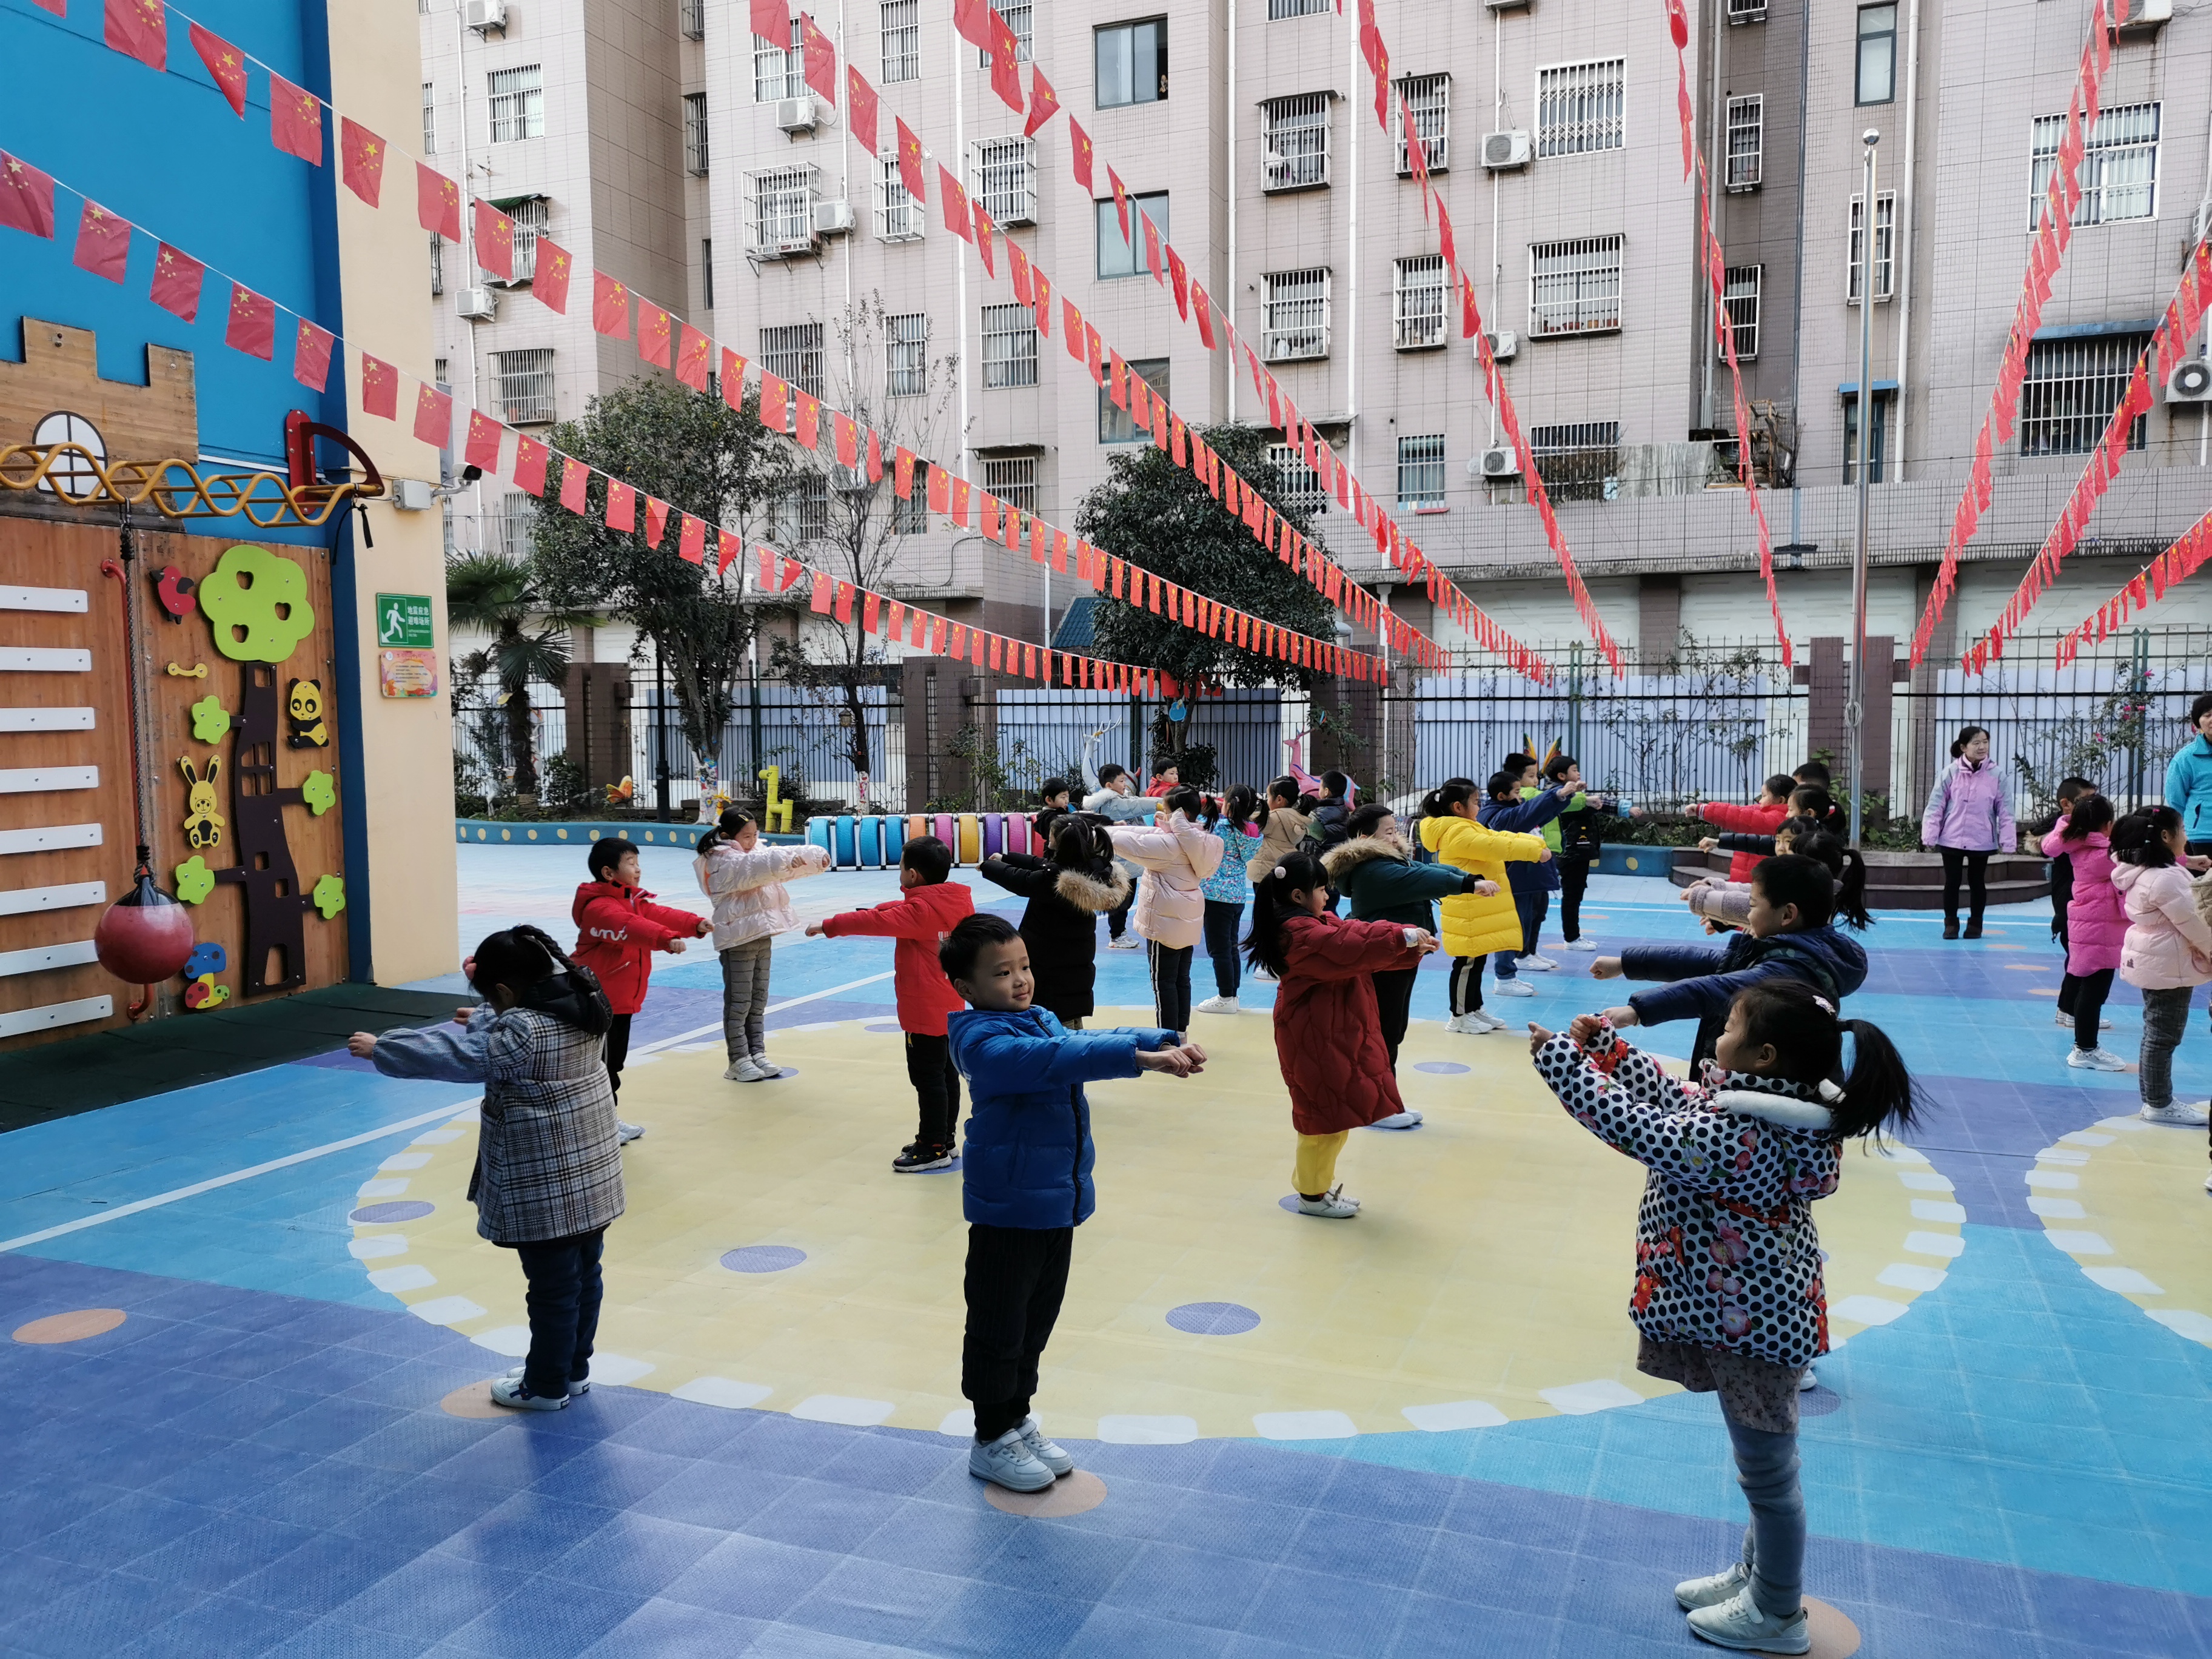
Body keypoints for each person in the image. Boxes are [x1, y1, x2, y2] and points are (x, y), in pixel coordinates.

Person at [1527, 981, 1920, 1655]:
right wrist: (1611, 1052)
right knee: (1766, 1468)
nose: (1718, 1036)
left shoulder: (1741, 1133)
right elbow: (1676, 1099)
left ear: (1765, 1056)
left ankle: (1777, 1612)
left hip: (1752, 1328)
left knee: (1769, 1476)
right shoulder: (1774, 1110)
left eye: (1731, 1027)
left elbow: (1644, 1130)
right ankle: (1757, 1578)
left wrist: (1563, 1063)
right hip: (1756, 1317)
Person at [942, 913, 1204, 1490]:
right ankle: (990, 1436)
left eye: (1024, 966)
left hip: (1054, 1202)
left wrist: (1155, 1039)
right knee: (998, 1325)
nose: (1020, 979)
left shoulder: (1036, 1017)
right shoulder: (980, 1041)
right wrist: (1137, 1060)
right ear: (965, 987)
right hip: (1009, 1209)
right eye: (1002, 973)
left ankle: (1016, 1419)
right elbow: (1055, 1060)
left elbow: (1076, 1042)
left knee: (1035, 1321)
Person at [349, 927, 623, 1412]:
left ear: (505, 992)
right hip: (593, 1176)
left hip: (547, 1185)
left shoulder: (522, 1032)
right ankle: (572, 1371)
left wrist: (384, 1047)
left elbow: (465, 1056)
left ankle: (545, 1386)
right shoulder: (584, 1001)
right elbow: (504, 1035)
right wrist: (483, 1017)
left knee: (553, 1289)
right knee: (584, 1275)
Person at [1247, 851, 1439, 1212]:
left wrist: (1407, 942)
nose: (1328, 896)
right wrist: (1403, 937)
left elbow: (1356, 935)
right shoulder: (1300, 936)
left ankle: (1317, 1189)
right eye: (1321, 889)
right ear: (1298, 896)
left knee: (1332, 1116)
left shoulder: (1318, 923)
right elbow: (1347, 948)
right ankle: (1312, 1195)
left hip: (1329, 1034)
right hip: (1315, 1039)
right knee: (1322, 1122)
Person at [1590, 853, 1870, 1070]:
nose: (1748, 916)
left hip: (1767, 1101)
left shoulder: (1790, 970)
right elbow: (1704, 962)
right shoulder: (1799, 952)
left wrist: (1637, 1011)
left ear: (1787, 915)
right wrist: (1624, 963)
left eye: (1753, 906)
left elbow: (1717, 989)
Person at [808, 836, 974, 1172]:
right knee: (945, 1075)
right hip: (951, 1005)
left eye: (900, 867)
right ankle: (945, 1138)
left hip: (923, 1010)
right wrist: (876, 909)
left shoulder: (919, 912)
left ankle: (932, 1147)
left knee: (927, 1079)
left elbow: (874, 922)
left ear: (912, 875)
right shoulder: (955, 902)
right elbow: (893, 912)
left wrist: (829, 926)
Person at [1326, 802, 1489, 1067]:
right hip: (1383, 959)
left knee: (1393, 1028)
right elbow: (1422, 880)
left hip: (1399, 954)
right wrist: (1468, 884)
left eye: (1396, 831)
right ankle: (1379, 1087)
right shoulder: (1373, 870)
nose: (1395, 838)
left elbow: (1426, 870)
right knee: (1385, 1030)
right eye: (1389, 832)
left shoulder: (1389, 861)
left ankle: (1384, 1086)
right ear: (1365, 838)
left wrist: (1469, 877)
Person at [570, 838, 709, 1143]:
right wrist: (666, 939)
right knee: (601, 1066)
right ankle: (600, 1126)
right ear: (609, 873)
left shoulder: (632, 900)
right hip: (598, 999)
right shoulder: (599, 908)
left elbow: (657, 914)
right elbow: (631, 926)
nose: (638, 869)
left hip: (619, 1001)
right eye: (630, 863)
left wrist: (694, 924)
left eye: (637, 862)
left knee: (612, 1064)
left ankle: (605, 1121)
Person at [692, 808, 833, 1082]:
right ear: (727, 836)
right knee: (739, 1002)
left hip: (760, 933)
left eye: (755, 835)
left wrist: (810, 862)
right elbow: (755, 867)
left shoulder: (755, 854)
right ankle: (738, 1060)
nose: (752, 840)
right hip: (737, 939)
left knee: (758, 999)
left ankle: (757, 1053)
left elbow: (770, 868)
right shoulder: (721, 860)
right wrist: (788, 859)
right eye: (746, 836)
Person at [2111, 806, 2212, 1133]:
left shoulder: (2142, 868)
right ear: (2166, 836)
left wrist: (2186, 863)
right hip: (2170, 963)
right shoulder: (2167, 879)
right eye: (2182, 829)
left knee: (2156, 1032)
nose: (2186, 836)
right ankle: (2159, 1103)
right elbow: (2195, 925)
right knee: (2163, 1035)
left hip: (2159, 959)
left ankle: (2155, 1100)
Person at [975, 814, 1127, 1030]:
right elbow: (1040, 864)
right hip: (1075, 969)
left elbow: (1021, 880)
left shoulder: (1055, 882)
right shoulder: (1091, 867)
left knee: (1057, 1028)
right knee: (1072, 1021)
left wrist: (987, 866)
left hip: (1050, 969)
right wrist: (1005, 858)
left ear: (1058, 841)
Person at [1418, 779, 1547, 1030]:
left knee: (1476, 962)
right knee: (1466, 965)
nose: (1480, 807)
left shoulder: (1467, 827)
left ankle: (1474, 1008)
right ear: (1458, 807)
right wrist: (1533, 852)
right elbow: (1495, 846)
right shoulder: (1456, 832)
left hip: (1476, 909)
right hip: (1467, 911)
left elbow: (1498, 836)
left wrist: (1536, 844)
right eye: (1476, 802)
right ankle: (1459, 1017)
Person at [1108, 786, 1225, 1035]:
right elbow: (1143, 833)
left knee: (1163, 983)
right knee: (1181, 979)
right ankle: (1180, 1033)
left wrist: (1099, 831)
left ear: (1178, 815)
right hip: (1187, 919)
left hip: (1165, 923)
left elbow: (1132, 843)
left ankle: (1167, 1037)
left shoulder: (1169, 845)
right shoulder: (1201, 839)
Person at [2042, 793, 2129, 1073]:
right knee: (2094, 990)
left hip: (2089, 926)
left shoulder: (2078, 844)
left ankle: (2085, 1044)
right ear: (2107, 825)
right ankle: (2086, 1049)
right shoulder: (2103, 855)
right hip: (2097, 929)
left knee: (2089, 986)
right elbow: (2140, 863)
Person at [1479, 766, 1578, 980]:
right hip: (1515, 879)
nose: (1521, 796)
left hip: (1529, 877)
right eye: (1516, 792)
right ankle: (1508, 970)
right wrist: (1556, 794)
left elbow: (1538, 815)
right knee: (1514, 924)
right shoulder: (1497, 816)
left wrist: (1561, 798)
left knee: (1534, 916)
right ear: (1502, 796)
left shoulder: (1512, 810)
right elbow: (1524, 814)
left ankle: (1527, 953)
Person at [1922, 725, 2016, 939]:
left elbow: (2006, 810)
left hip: (1982, 838)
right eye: (1976, 743)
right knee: (1952, 882)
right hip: (1951, 837)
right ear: (1964, 747)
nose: (1982, 747)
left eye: (1985, 742)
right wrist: (1930, 835)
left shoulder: (1997, 775)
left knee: (1977, 883)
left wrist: (2008, 841)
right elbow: (1936, 805)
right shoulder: (1950, 772)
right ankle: (1951, 924)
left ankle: (1975, 924)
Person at [1684, 828, 1872, 936]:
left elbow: (1749, 906)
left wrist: (1701, 898)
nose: (1782, 852)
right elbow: (1755, 893)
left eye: (1791, 853)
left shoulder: (1806, 897)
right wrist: (1717, 886)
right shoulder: (1820, 888)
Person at [1538, 752, 1636, 953]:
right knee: (1571, 895)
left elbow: (1596, 803)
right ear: (1562, 776)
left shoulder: (1572, 795)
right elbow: (1589, 803)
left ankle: (1572, 936)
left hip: (1578, 851)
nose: (1579, 773)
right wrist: (1619, 808)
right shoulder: (1559, 797)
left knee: (1574, 894)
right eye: (1574, 770)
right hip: (1571, 852)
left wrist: (1621, 808)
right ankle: (1571, 938)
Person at [1080, 731, 1163, 948]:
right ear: (1109, 785)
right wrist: (1162, 803)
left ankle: (1118, 934)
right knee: (1122, 900)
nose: (1125, 784)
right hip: (1121, 861)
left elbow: (1087, 774)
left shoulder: (1106, 795)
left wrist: (1089, 747)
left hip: (1123, 860)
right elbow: (1136, 806)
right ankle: (1117, 936)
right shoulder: (1112, 802)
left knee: (1124, 899)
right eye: (1121, 781)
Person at [1197, 785, 1267, 1014]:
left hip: (1215, 895)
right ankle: (1232, 995)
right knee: (1231, 947)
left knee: (1219, 950)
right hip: (1236, 896)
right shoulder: (1250, 831)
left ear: (1227, 803)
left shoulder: (1217, 827)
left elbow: (1194, 825)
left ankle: (1225, 997)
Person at [2025, 777, 2095, 951]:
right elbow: (2044, 847)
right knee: (2072, 942)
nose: (2093, 805)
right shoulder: (2061, 831)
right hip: (2068, 892)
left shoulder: (2098, 824)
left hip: (2093, 897)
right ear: (2066, 804)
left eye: (2095, 799)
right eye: (2087, 801)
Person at [1698, 776, 1795, 884]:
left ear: (1781, 800)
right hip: (1749, 878)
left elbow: (1739, 816)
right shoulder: (1767, 813)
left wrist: (1704, 810)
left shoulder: (1778, 818)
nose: (1760, 801)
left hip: (1756, 882)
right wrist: (1719, 842)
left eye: (1764, 796)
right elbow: (1741, 812)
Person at [2163, 692, 2212, 857]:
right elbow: (2176, 799)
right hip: (2201, 836)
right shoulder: (2185, 758)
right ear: (2198, 722)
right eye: (2207, 715)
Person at [1248, 775, 1316, 883]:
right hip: (1286, 870)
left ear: (1279, 799)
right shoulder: (1298, 819)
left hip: (1265, 873)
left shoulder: (1273, 819)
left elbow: (1252, 827)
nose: (1267, 800)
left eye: (1269, 796)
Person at [1306, 770, 1356, 855]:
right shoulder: (1344, 809)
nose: (1319, 791)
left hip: (1321, 858)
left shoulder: (1317, 815)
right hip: (1339, 857)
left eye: (1320, 788)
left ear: (1326, 791)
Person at [1030, 779, 1073, 851]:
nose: (1067, 801)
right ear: (1049, 800)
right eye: (1063, 797)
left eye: (1067, 796)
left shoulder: (1063, 811)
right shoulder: (1047, 817)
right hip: (1054, 853)